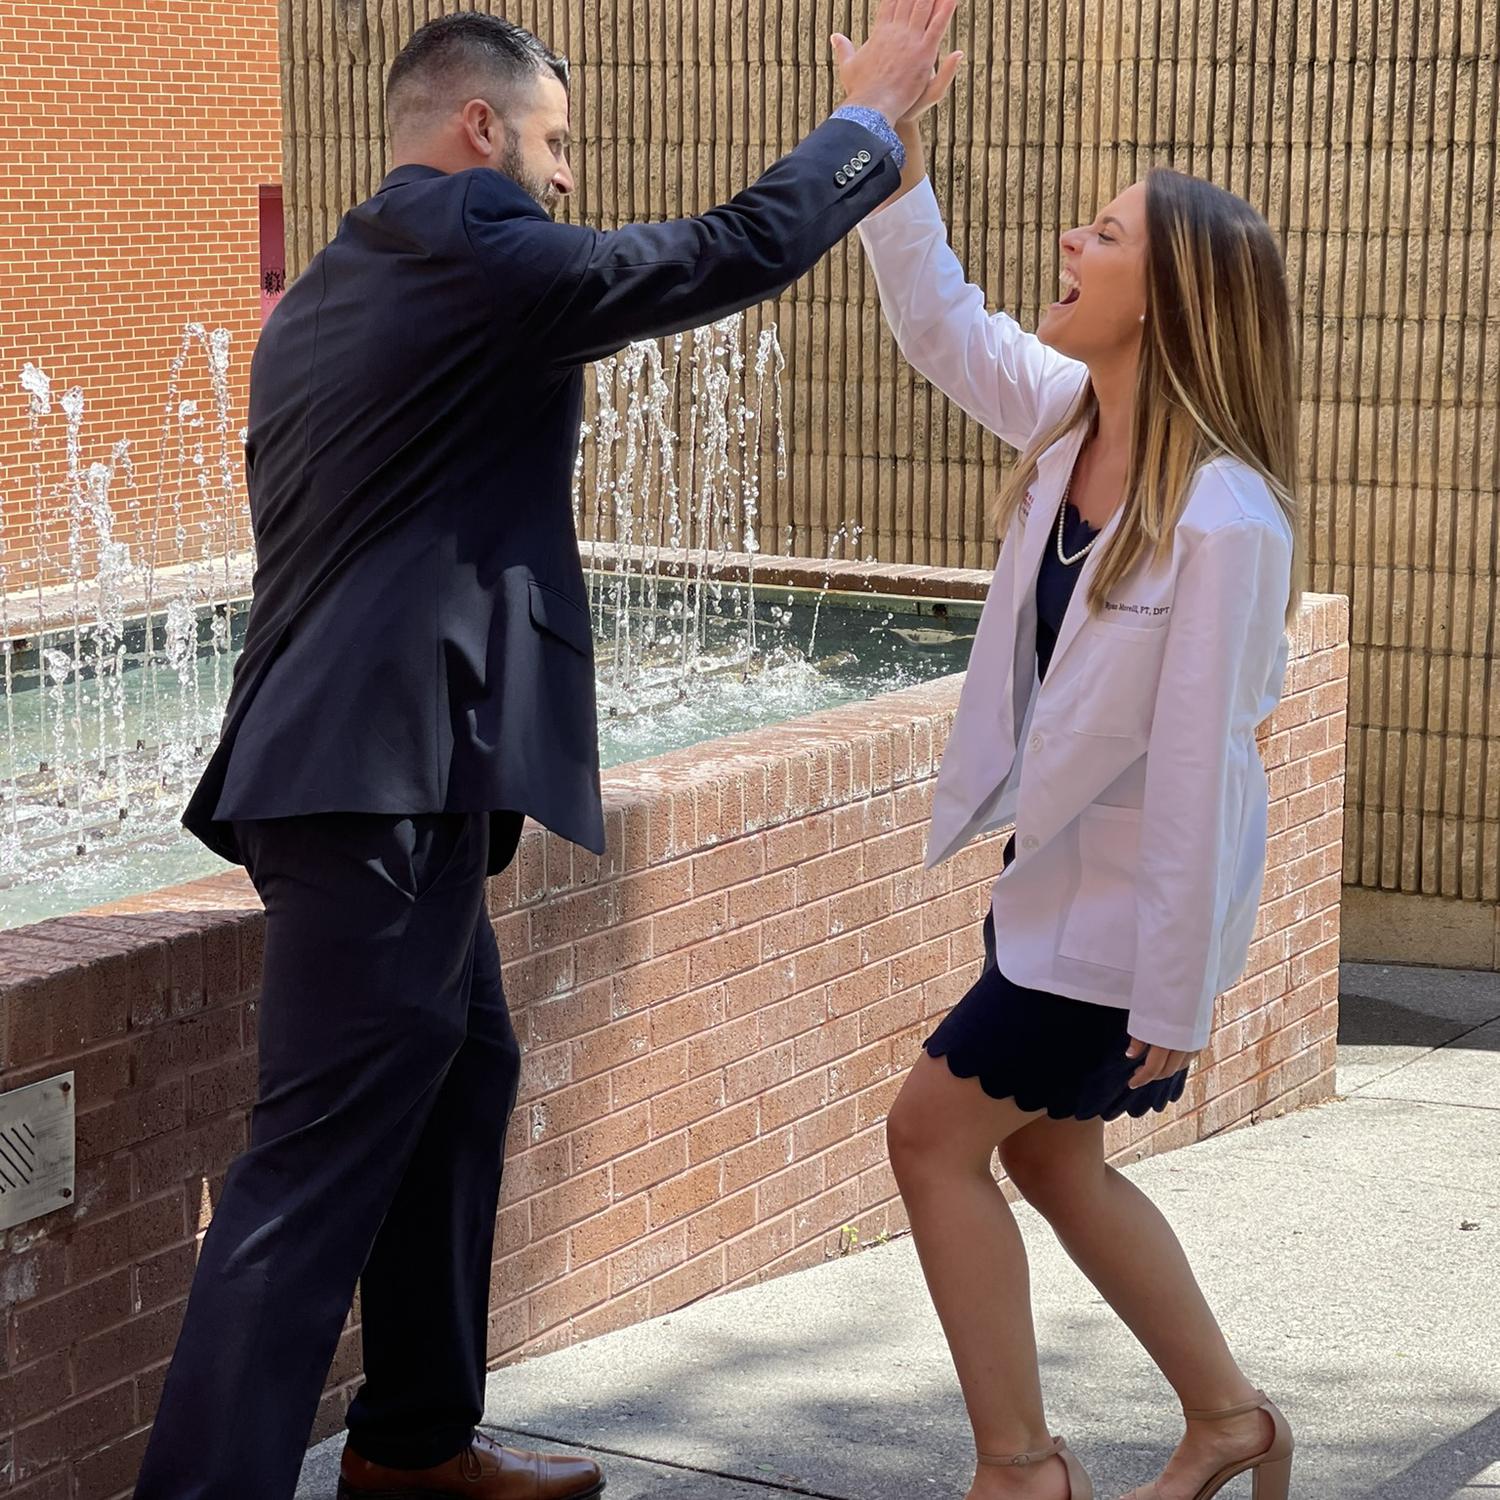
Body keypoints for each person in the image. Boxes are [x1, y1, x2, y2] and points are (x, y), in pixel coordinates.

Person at [140, 6, 961, 1498]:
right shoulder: (468, 234)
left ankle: (412, 1449)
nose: (566, 179)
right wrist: (871, 130)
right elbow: (714, 254)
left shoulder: (341, 278)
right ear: (479, 129)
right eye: (556, 141)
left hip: (381, 770)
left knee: (464, 1075)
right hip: (374, 783)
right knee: (306, 1177)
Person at [850, 49, 1302, 1500]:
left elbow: (1203, 776)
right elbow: (940, 325)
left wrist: (1178, 990)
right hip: (1052, 892)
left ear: (1164, 297)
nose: (1071, 240)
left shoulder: (1225, 520)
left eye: (1104, 234)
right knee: (1052, 1163)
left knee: (931, 1136)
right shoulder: (1070, 422)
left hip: (1118, 932)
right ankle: (1230, 1421)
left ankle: (1020, 1469)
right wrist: (891, 139)